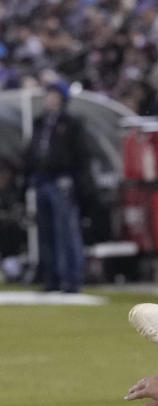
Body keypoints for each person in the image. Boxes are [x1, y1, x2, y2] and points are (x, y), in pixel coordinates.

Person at [24, 81, 91, 293]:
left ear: (62, 98)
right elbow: (33, 151)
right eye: (48, 95)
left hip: (62, 182)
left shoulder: (72, 123)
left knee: (66, 232)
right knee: (46, 233)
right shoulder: (40, 122)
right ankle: (51, 278)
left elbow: (81, 155)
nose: (49, 99)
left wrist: (79, 182)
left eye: (53, 95)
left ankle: (72, 279)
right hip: (42, 181)